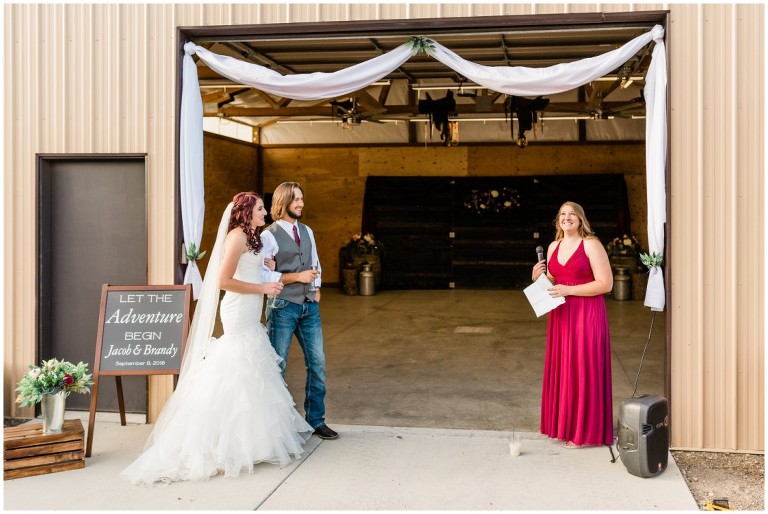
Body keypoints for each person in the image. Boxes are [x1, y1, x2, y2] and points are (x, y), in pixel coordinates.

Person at [121, 192, 313, 485]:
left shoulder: (253, 237)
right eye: (261, 209)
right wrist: (263, 289)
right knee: (235, 365)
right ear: (247, 212)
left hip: (251, 310)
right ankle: (222, 443)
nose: (265, 213)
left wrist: (267, 271)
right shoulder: (236, 237)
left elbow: (249, 271)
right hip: (238, 310)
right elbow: (225, 281)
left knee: (252, 372)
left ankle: (249, 441)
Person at [531, 201, 614, 448]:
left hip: (587, 314)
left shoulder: (591, 244)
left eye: (572, 214)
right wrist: (538, 277)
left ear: (580, 219)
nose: (567, 218)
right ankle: (564, 427)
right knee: (565, 367)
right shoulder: (553, 246)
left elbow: (605, 284)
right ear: (558, 220)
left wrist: (570, 289)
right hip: (561, 315)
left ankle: (584, 433)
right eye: (563, 214)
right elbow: (555, 280)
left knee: (583, 367)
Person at [261, 182, 338, 440]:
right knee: (278, 366)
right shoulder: (268, 235)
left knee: (317, 363)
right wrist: (298, 277)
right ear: (283, 202)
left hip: (308, 306)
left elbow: (315, 261)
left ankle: (316, 420)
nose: (301, 204)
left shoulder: (307, 231)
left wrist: (316, 287)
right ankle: (278, 426)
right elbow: (264, 275)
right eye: (296, 200)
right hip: (283, 307)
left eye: (302, 199)